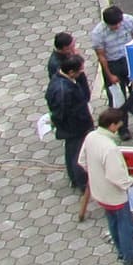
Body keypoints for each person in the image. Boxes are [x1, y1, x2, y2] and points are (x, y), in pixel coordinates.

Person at [79, 109, 133, 265]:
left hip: (98, 191)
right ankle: (130, 255)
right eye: (119, 124)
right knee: (126, 224)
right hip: (114, 194)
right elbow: (116, 176)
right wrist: (131, 181)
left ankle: (122, 249)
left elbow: (82, 161)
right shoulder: (110, 148)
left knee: (113, 222)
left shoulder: (91, 137)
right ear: (112, 126)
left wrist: (96, 174)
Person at [89, 5, 133, 139]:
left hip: (128, 59)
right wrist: (110, 75)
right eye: (114, 25)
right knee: (117, 100)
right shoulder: (98, 33)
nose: (118, 26)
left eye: (119, 23)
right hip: (113, 63)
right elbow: (101, 57)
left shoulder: (129, 21)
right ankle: (122, 128)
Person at [45, 51, 94, 190]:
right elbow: (62, 113)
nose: (82, 73)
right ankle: (81, 182)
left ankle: (75, 179)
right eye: (80, 70)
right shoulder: (64, 90)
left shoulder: (59, 80)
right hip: (75, 128)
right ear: (71, 72)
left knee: (72, 152)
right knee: (77, 155)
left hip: (74, 126)